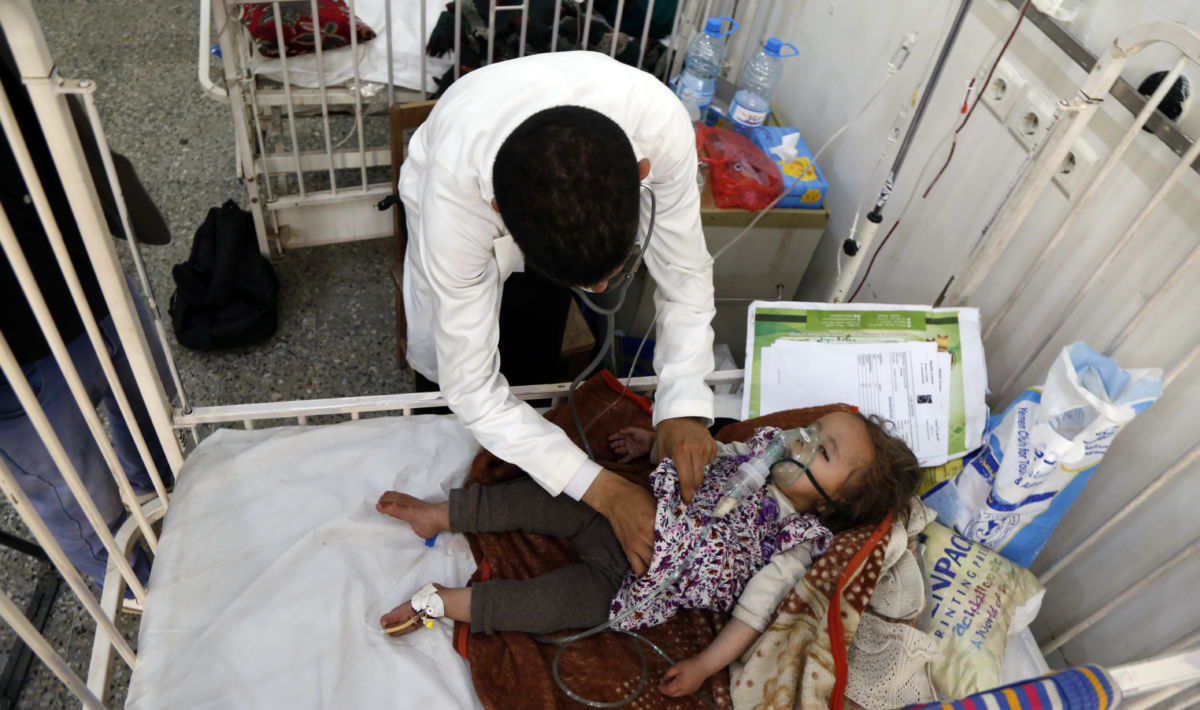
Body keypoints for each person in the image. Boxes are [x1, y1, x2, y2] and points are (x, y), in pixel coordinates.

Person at [398, 50, 718, 576]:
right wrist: (602, 489)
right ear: (501, 213)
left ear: (642, 176)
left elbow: (685, 273)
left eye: (611, 271)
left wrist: (683, 403)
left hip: (551, 197)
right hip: (452, 165)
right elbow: (472, 388)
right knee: (447, 361)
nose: (599, 289)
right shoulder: (457, 203)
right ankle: (443, 437)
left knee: (534, 343)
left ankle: (530, 406)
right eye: (585, 282)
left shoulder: (659, 126)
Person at [374, 410, 921, 698]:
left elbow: (756, 612)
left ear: (829, 507)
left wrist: (707, 664)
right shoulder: (758, 449)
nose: (799, 439)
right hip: (622, 510)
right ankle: (443, 514)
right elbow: (703, 449)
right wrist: (655, 439)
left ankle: (444, 603)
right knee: (544, 498)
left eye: (820, 450)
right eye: (815, 428)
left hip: (632, 582)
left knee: (551, 604)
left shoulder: (796, 543)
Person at [0, 33, 174, 589]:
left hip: (90, 277)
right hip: (16, 360)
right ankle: (147, 598)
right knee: (89, 515)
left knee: (158, 436)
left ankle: (171, 516)